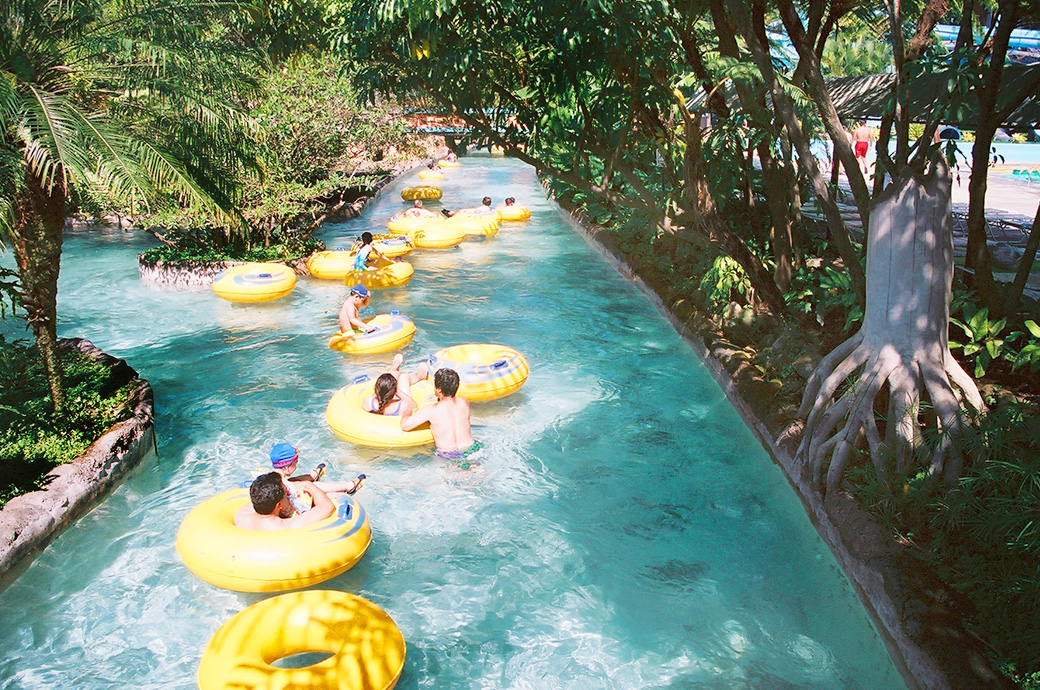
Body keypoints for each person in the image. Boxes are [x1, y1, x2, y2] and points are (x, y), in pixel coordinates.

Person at [401, 367, 483, 464]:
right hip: (473, 450)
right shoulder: (464, 402)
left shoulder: (431, 410)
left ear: (439, 389)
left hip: (449, 455)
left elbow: (405, 425)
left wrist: (407, 411)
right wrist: (438, 397)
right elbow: (449, 407)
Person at [268, 442, 366, 514]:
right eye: (295, 463)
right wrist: (328, 497)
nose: (296, 466)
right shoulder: (288, 487)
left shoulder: (273, 478)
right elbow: (301, 505)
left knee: (293, 481)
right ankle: (348, 487)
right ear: (286, 467)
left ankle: (311, 477)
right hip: (294, 512)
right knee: (312, 486)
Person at [233, 472, 335, 531]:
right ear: (279, 505)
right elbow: (327, 507)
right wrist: (307, 484)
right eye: (287, 495)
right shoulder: (286, 526)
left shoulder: (241, 514)